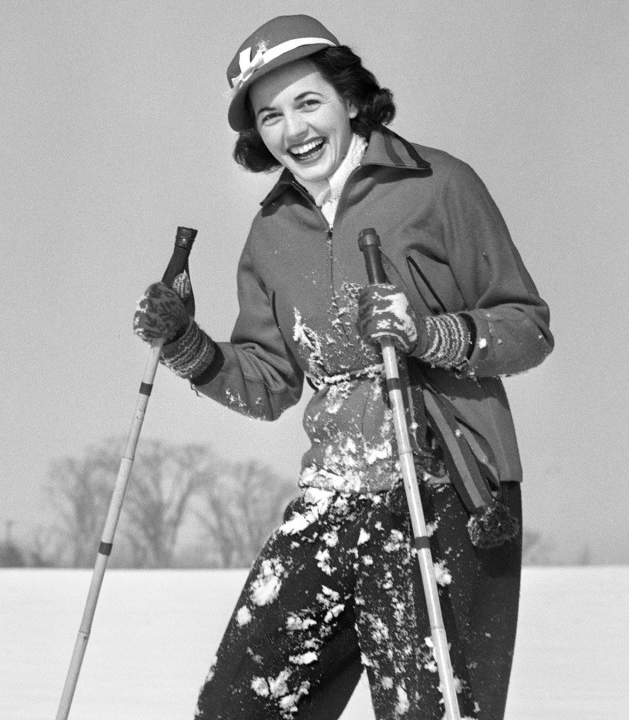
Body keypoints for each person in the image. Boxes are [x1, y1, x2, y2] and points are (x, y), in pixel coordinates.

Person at [132, 14, 553, 720]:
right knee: (242, 704)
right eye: (270, 116)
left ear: (350, 99)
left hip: (450, 485)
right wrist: (189, 349)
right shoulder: (273, 232)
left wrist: (430, 332)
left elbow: (526, 325)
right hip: (335, 494)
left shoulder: (438, 185)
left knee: (432, 710)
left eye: (307, 102)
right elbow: (269, 383)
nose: (292, 129)